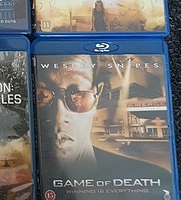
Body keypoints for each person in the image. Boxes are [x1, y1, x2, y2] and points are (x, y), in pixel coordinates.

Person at [35, 54, 173, 195]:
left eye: (78, 96)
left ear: (97, 95)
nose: (60, 116)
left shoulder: (156, 180)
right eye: (42, 97)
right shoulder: (25, 182)